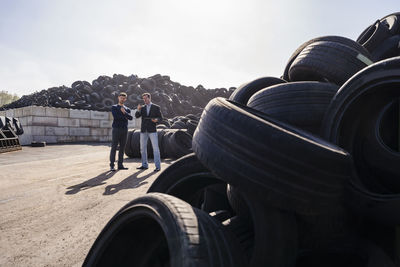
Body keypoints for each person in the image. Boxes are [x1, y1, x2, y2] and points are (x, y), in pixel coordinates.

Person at [135, 93, 162, 172]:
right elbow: (137, 116)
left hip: (152, 130)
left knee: (155, 149)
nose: (145, 100)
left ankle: (157, 166)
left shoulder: (156, 107)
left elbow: (161, 118)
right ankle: (144, 165)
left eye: (146, 98)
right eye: (143, 99)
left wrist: (156, 120)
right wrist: (138, 109)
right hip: (143, 130)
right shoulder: (142, 108)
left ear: (150, 98)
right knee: (142, 148)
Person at [109, 92, 133, 171]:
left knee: (122, 148)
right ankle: (112, 165)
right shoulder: (114, 107)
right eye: (121, 97)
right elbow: (116, 117)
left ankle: (120, 165)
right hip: (116, 129)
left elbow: (130, 118)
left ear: (125, 99)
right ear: (118, 98)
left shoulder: (127, 109)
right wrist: (125, 116)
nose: (122, 99)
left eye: (124, 98)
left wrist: (124, 113)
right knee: (114, 147)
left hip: (124, 129)